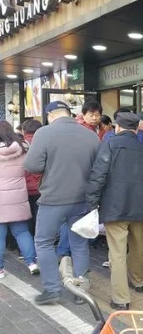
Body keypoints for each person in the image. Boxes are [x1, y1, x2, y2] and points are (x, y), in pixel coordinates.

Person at [24, 101, 99, 305]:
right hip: (82, 199)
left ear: (50, 116)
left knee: (44, 241)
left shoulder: (44, 134)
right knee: (79, 242)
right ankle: (80, 290)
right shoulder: (90, 135)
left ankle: (52, 289)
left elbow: (32, 165)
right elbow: (99, 168)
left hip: (53, 199)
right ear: (70, 114)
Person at [86, 113, 143, 310]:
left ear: (117, 128)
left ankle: (121, 299)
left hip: (115, 206)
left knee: (117, 253)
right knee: (138, 246)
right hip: (141, 207)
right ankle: (138, 281)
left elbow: (98, 175)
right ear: (136, 129)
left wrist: (92, 202)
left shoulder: (110, 145)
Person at [0, 121, 39, 279]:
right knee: (22, 232)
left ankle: (0, 270)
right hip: (19, 197)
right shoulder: (23, 149)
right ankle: (32, 263)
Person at [21, 119, 42, 236]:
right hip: (41, 187)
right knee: (40, 218)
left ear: (24, 131)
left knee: (28, 217)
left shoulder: (20, 144)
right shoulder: (43, 142)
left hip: (25, 188)